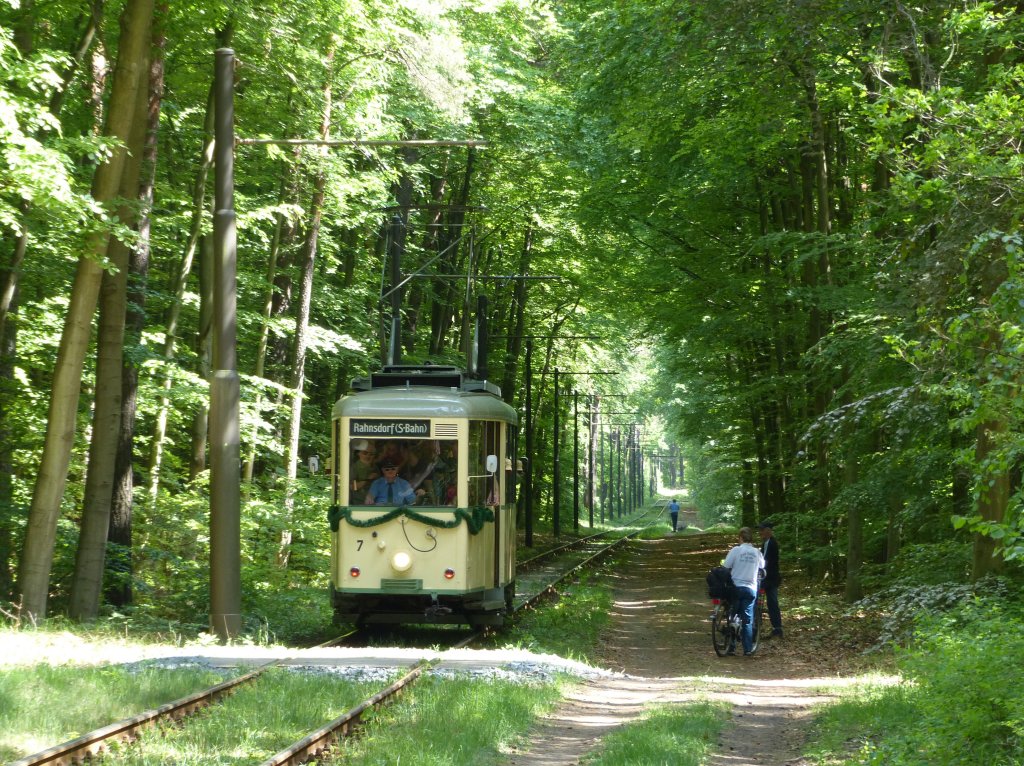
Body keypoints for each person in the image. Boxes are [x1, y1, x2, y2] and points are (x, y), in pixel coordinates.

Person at [723, 526, 765, 656]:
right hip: (751, 588)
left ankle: (731, 647)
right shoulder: (756, 552)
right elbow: (762, 566)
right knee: (747, 620)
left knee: (732, 616)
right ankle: (747, 649)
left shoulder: (736, 550)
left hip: (736, 587)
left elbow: (726, 566)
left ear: (740, 538)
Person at [759, 521, 783, 639]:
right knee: (770, 603)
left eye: (762, 530)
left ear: (768, 531)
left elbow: (767, 562)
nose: (760, 533)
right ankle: (775, 628)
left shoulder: (772, 543)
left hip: (770, 578)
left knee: (772, 602)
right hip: (767, 577)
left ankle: (777, 628)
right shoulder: (766, 543)